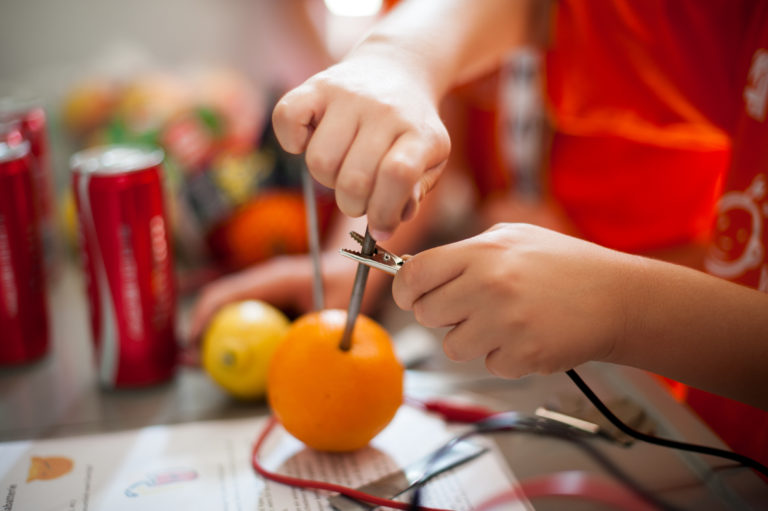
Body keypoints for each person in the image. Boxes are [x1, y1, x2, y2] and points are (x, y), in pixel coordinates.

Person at [270, 0, 768, 465]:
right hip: (716, 447)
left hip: (667, 408)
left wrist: (624, 306)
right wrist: (398, 57)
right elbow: (543, 10)